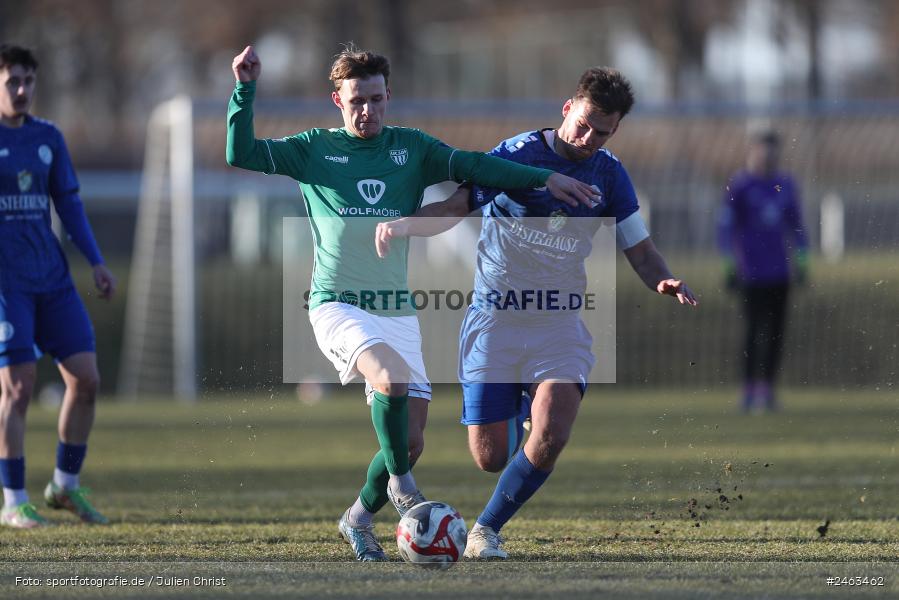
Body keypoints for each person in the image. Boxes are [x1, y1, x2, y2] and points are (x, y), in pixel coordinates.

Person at [226, 44, 600, 561]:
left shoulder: (411, 148)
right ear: (337, 98)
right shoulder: (313, 149)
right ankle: (402, 486)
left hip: (395, 308)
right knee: (392, 384)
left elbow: (475, 166)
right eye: (357, 101)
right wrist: (244, 90)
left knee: (411, 440)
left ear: (388, 96)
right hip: (337, 303)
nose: (368, 111)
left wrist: (546, 177)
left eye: (377, 99)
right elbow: (240, 154)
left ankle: (357, 518)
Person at [375, 66, 697, 559]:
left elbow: (640, 248)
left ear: (616, 131)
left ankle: (486, 529)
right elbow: (460, 204)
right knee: (491, 456)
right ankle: (522, 409)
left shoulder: (609, 173)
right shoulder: (516, 155)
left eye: (603, 132)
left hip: (557, 323)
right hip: (494, 319)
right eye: (584, 124)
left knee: (553, 427)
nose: (589, 139)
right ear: (568, 108)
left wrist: (662, 279)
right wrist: (407, 226)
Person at [0, 44, 116, 528]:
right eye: (12, 82)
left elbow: (68, 205)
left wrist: (95, 261)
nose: (22, 90)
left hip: (52, 279)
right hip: (7, 286)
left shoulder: (49, 137)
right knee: (19, 389)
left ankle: (64, 487)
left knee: (86, 380)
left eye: (28, 81)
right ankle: (13, 501)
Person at [718, 130, 808, 412]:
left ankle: (767, 390)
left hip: (779, 272)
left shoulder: (784, 185)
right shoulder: (741, 186)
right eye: (761, 151)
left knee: (776, 333)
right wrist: (729, 264)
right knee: (752, 331)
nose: (766, 157)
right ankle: (748, 390)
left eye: (771, 152)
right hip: (750, 272)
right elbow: (726, 227)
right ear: (752, 151)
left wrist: (803, 261)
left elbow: (796, 224)